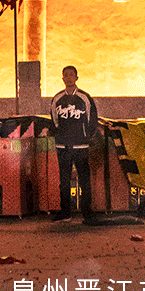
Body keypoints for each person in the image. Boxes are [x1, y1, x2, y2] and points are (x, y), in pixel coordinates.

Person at [50, 66, 98, 222]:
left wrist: (85, 136)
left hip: (80, 146)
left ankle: (87, 213)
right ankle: (65, 213)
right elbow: (55, 121)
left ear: (77, 78)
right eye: (66, 75)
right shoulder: (57, 99)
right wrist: (61, 135)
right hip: (63, 146)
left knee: (84, 180)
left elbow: (92, 120)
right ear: (62, 78)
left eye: (71, 75)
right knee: (64, 181)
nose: (69, 78)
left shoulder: (84, 98)